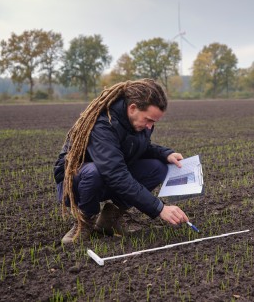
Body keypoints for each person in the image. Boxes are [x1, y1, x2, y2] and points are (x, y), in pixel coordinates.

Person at [53, 78, 189, 244]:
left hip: (106, 176)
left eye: (154, 122)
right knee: (93, 172)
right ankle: (85, 222)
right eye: (149, 120)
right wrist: (159, 208)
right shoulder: (103, 124)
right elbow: (115, 174)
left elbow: (137, 147)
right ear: (132, 108)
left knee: (158, 168)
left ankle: (109, 219)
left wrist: (165, 154)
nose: (150, 126)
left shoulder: (138, 122)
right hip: (75, 182)